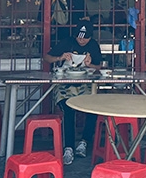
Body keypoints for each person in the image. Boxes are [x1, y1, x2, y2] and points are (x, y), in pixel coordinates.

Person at [43, 20, 102, 165]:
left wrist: (90, 65)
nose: (81, 40)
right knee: (67, 109)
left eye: (85, 37)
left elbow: (99, 66)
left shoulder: (93, 45)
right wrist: (60, 57)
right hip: (64, 84)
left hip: (85, 84)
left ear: (90, 37)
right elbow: (46, 57)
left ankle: (84, 142)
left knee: (93, 107)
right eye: (79, 37)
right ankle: (68, 147)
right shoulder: (66, 42)